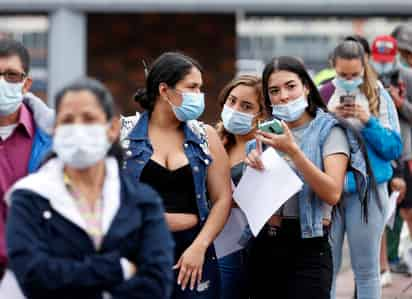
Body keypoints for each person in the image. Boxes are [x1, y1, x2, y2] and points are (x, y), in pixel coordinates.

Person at [6, 78, 174, 299]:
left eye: (88, 119)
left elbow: (157, 284)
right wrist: (120, 269)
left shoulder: (142, 200)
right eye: (67, 120)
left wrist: (72, 276)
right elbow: (34, 276)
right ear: (55, 129)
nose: (77, 128)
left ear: (112, 128)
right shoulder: (29, 196)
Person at [245, 56, 357, 299]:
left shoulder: (329, 130)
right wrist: (252, 167)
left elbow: (332, 193)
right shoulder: (265, 132)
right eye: (274, 90)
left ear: (306, 86)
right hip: (266, 243)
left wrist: (294, 151)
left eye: (290, 86)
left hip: (308, 246)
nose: (283, 96)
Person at [125, 52, 232, 298]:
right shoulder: (123, 134)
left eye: (200, 88)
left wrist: (200, 246)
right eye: (192, 87)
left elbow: (222, 198)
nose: (199, 95)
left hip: (193, 251)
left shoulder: (205, 136)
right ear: (164, 90)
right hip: (138, 251)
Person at [322, 40, 402, 299]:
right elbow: (308, 144)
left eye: (354, 75)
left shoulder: (378, 94)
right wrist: (327, 118)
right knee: (326, 269)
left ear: (364, 68)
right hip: (328, 191)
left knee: (367, 271)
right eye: (342, 75)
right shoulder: (322, 94)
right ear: (333, 66)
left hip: (368, 191)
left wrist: (368, 121)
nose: (348, 81)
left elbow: (393, 148)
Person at [0, 38, 52, 285]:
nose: (1, 82)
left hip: (33, 274)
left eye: (11, 75)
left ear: (26, 83)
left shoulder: (55, 141)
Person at [215, 75, 267, 299]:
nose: (235, 109)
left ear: (261, 114)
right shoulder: (213, 141)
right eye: (232, 101)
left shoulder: (264, 148)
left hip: (245, 245)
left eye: (246, 106)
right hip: (212, 242)